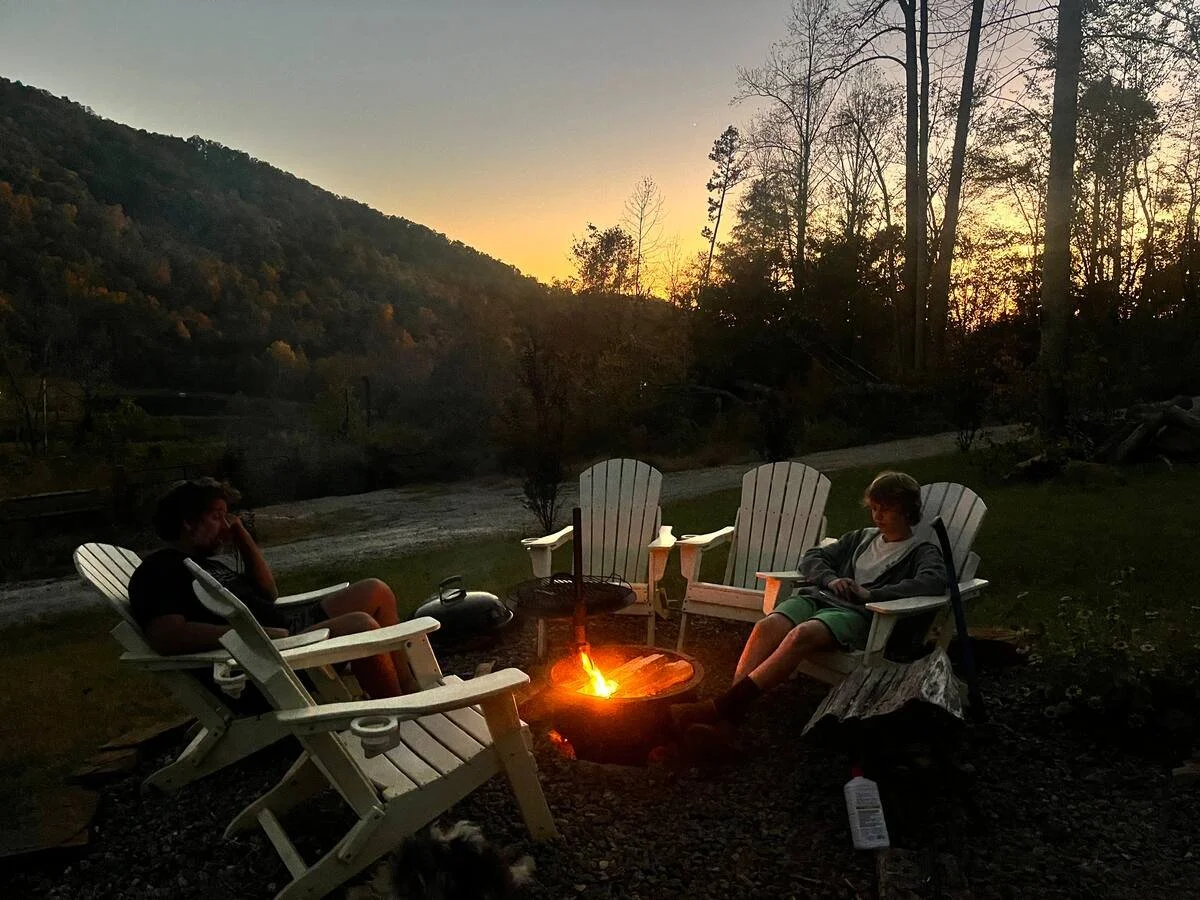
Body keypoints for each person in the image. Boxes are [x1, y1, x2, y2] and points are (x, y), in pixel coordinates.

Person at [670, 470, 948, 758]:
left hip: (859, 615)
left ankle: (721, 710)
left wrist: (872, 594)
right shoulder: (861, 538)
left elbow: (932, 581)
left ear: (907, 510)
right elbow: (813, 557)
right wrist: (830, 579)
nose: (877, 516)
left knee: (801, 634)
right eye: (874, 508)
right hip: (821, 596)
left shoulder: (920, 551)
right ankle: (728, 721)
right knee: (766, 626)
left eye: (886, 509)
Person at [129, 477, 419, 700]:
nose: (226, 525)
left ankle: (411, 692)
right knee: (360, 625)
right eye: (217, 516)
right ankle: (397, 713)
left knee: (375, 590)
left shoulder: (207, 564)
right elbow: (166, 635)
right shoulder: (160, 570)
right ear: (188, 523)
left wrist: (242, 538)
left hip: (284, 632)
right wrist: (258, 636)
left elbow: (268, 594)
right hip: (269, 659)